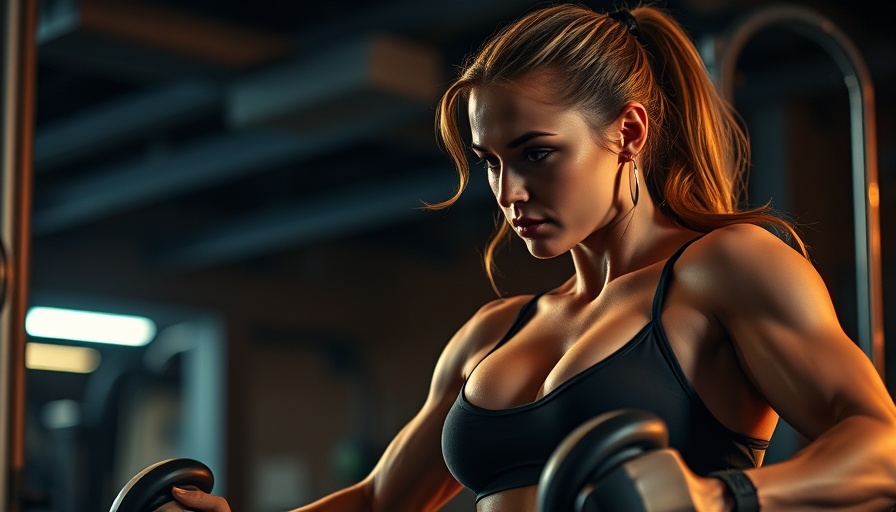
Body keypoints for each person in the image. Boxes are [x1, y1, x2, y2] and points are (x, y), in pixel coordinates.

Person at [166, 3, 896, 511]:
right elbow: (383, 499)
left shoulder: (723, 270)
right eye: (489, 161)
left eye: (538, 153)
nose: (509, 192)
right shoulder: (495, 331)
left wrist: (723, 497)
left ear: (629, 132)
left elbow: (882, 450)